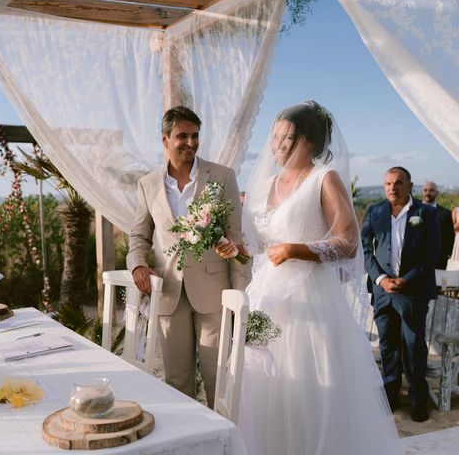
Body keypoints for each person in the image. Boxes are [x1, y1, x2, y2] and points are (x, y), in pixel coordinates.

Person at [217, 101, 401, 454]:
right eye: (274, 137)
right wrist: (234, 247)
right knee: (263, 390)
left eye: (286, 138)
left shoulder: (324, 179)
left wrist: (295, 250)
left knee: (312, 394)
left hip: (312, 302)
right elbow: (260, 249)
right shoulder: (268, 183)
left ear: (311, 142)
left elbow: (347, 242)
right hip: (267, 301)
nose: (277, 145)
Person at [127, 106, 249, 408]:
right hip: (168, 292)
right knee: (175, 384)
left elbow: (237, 236)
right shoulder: (148, 184)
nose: (190, 143)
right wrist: (138, 265)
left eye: (195, 136)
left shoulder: (222, 176)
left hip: (214, 295)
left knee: (217, 381)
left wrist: (239, 292)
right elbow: (139, 235)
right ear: (166, 139)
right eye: (182, 136)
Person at [362, 167, 441, 422]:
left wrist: (406, 280)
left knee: (414, 348)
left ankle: (418, 400)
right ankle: (391, 398)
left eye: (398, 183)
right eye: (387, 183)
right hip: (384, 292)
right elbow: (366, 251)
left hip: (413, 292)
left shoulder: (426, 214)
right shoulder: (375, 211)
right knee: (388, 348)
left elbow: (433, 253)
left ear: (410, 186)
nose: (392, 188)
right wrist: (382, 279)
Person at [421, 181, 454, 269]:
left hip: (439, 261)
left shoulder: (446, 213)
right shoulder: (412, 211)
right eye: (425, 190)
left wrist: (446, 255)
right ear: (422, 192)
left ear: (437, 192)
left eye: (431, 190)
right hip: (416, 261)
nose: (428, 193)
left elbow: (450, 237)